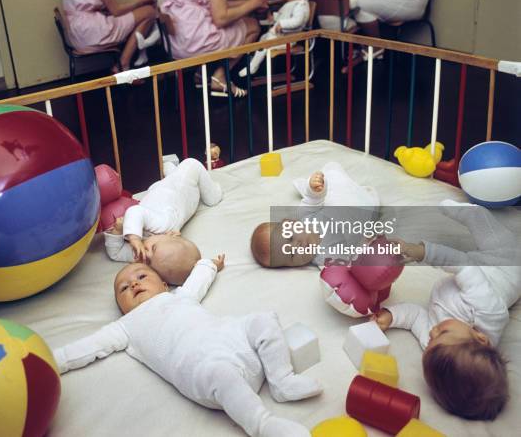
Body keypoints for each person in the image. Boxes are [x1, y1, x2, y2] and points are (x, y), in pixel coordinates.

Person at [54, 257, 322, 437]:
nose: (134, 284)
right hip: (208, 370)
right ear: (121, 307)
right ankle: (262, 424)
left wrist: (209, 264)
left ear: (163, 284)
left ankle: (282, 379)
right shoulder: (126, 326)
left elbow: (198, 279)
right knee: (221, 374)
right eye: (124, 288)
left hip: (235, 339)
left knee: (262, 320)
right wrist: (52, 361)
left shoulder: (180, 295)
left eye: (141, 276)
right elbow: (89, 347)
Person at [374, 200, 521, 420]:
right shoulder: (486, 309)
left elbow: (415, 317)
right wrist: (422, 252)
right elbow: (462, 264)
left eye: (431, 341)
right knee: (478, 215)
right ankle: (449, 203)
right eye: (441, 333)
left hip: (477, 264)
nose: (432, 333)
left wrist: (391, 317)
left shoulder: (437, 350)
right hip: (506, 260)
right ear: (480, 337)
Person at [103, 158, 222, 284]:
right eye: (153, 248)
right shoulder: (164, 225)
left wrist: (116, 232)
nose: (146, 254)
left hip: (158, 190)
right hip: (183, 187)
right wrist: (134, 239)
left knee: (166, 180)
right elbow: (135, 211)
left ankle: (170, 167)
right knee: (191, 164)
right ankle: (213, 193)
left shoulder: (143, 256)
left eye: (148, 262)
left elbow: (115, 254)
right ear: (172, 234)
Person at [250, 162, 379, 268]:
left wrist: (314, 188)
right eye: (292, 255)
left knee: (334, 188)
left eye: (290, 238)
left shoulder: (306, 216)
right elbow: (349, 263)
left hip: (342, 200)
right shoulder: (325, 260)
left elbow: (313, 199)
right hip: (365, 214)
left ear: (290, 222)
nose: (298, 246)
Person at [239, 0, 314, 77]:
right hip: (280, 36)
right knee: (262, 39)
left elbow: (298, 21)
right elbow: (283, 16)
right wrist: (274, 17)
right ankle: (254, 60)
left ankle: (253, 66)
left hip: (288, 39)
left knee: (264, 44)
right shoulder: (291, 4)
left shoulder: (301, 6)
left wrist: (282, 24)